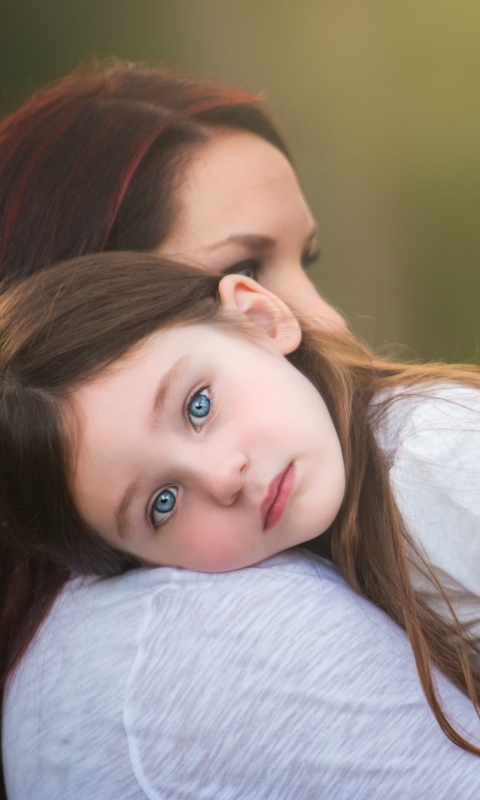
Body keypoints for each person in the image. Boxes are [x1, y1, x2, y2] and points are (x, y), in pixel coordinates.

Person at [1, 250, 480, 767]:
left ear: (258, 318)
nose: (221, 476)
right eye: (164, 503)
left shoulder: (439, 461)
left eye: (198, 405)